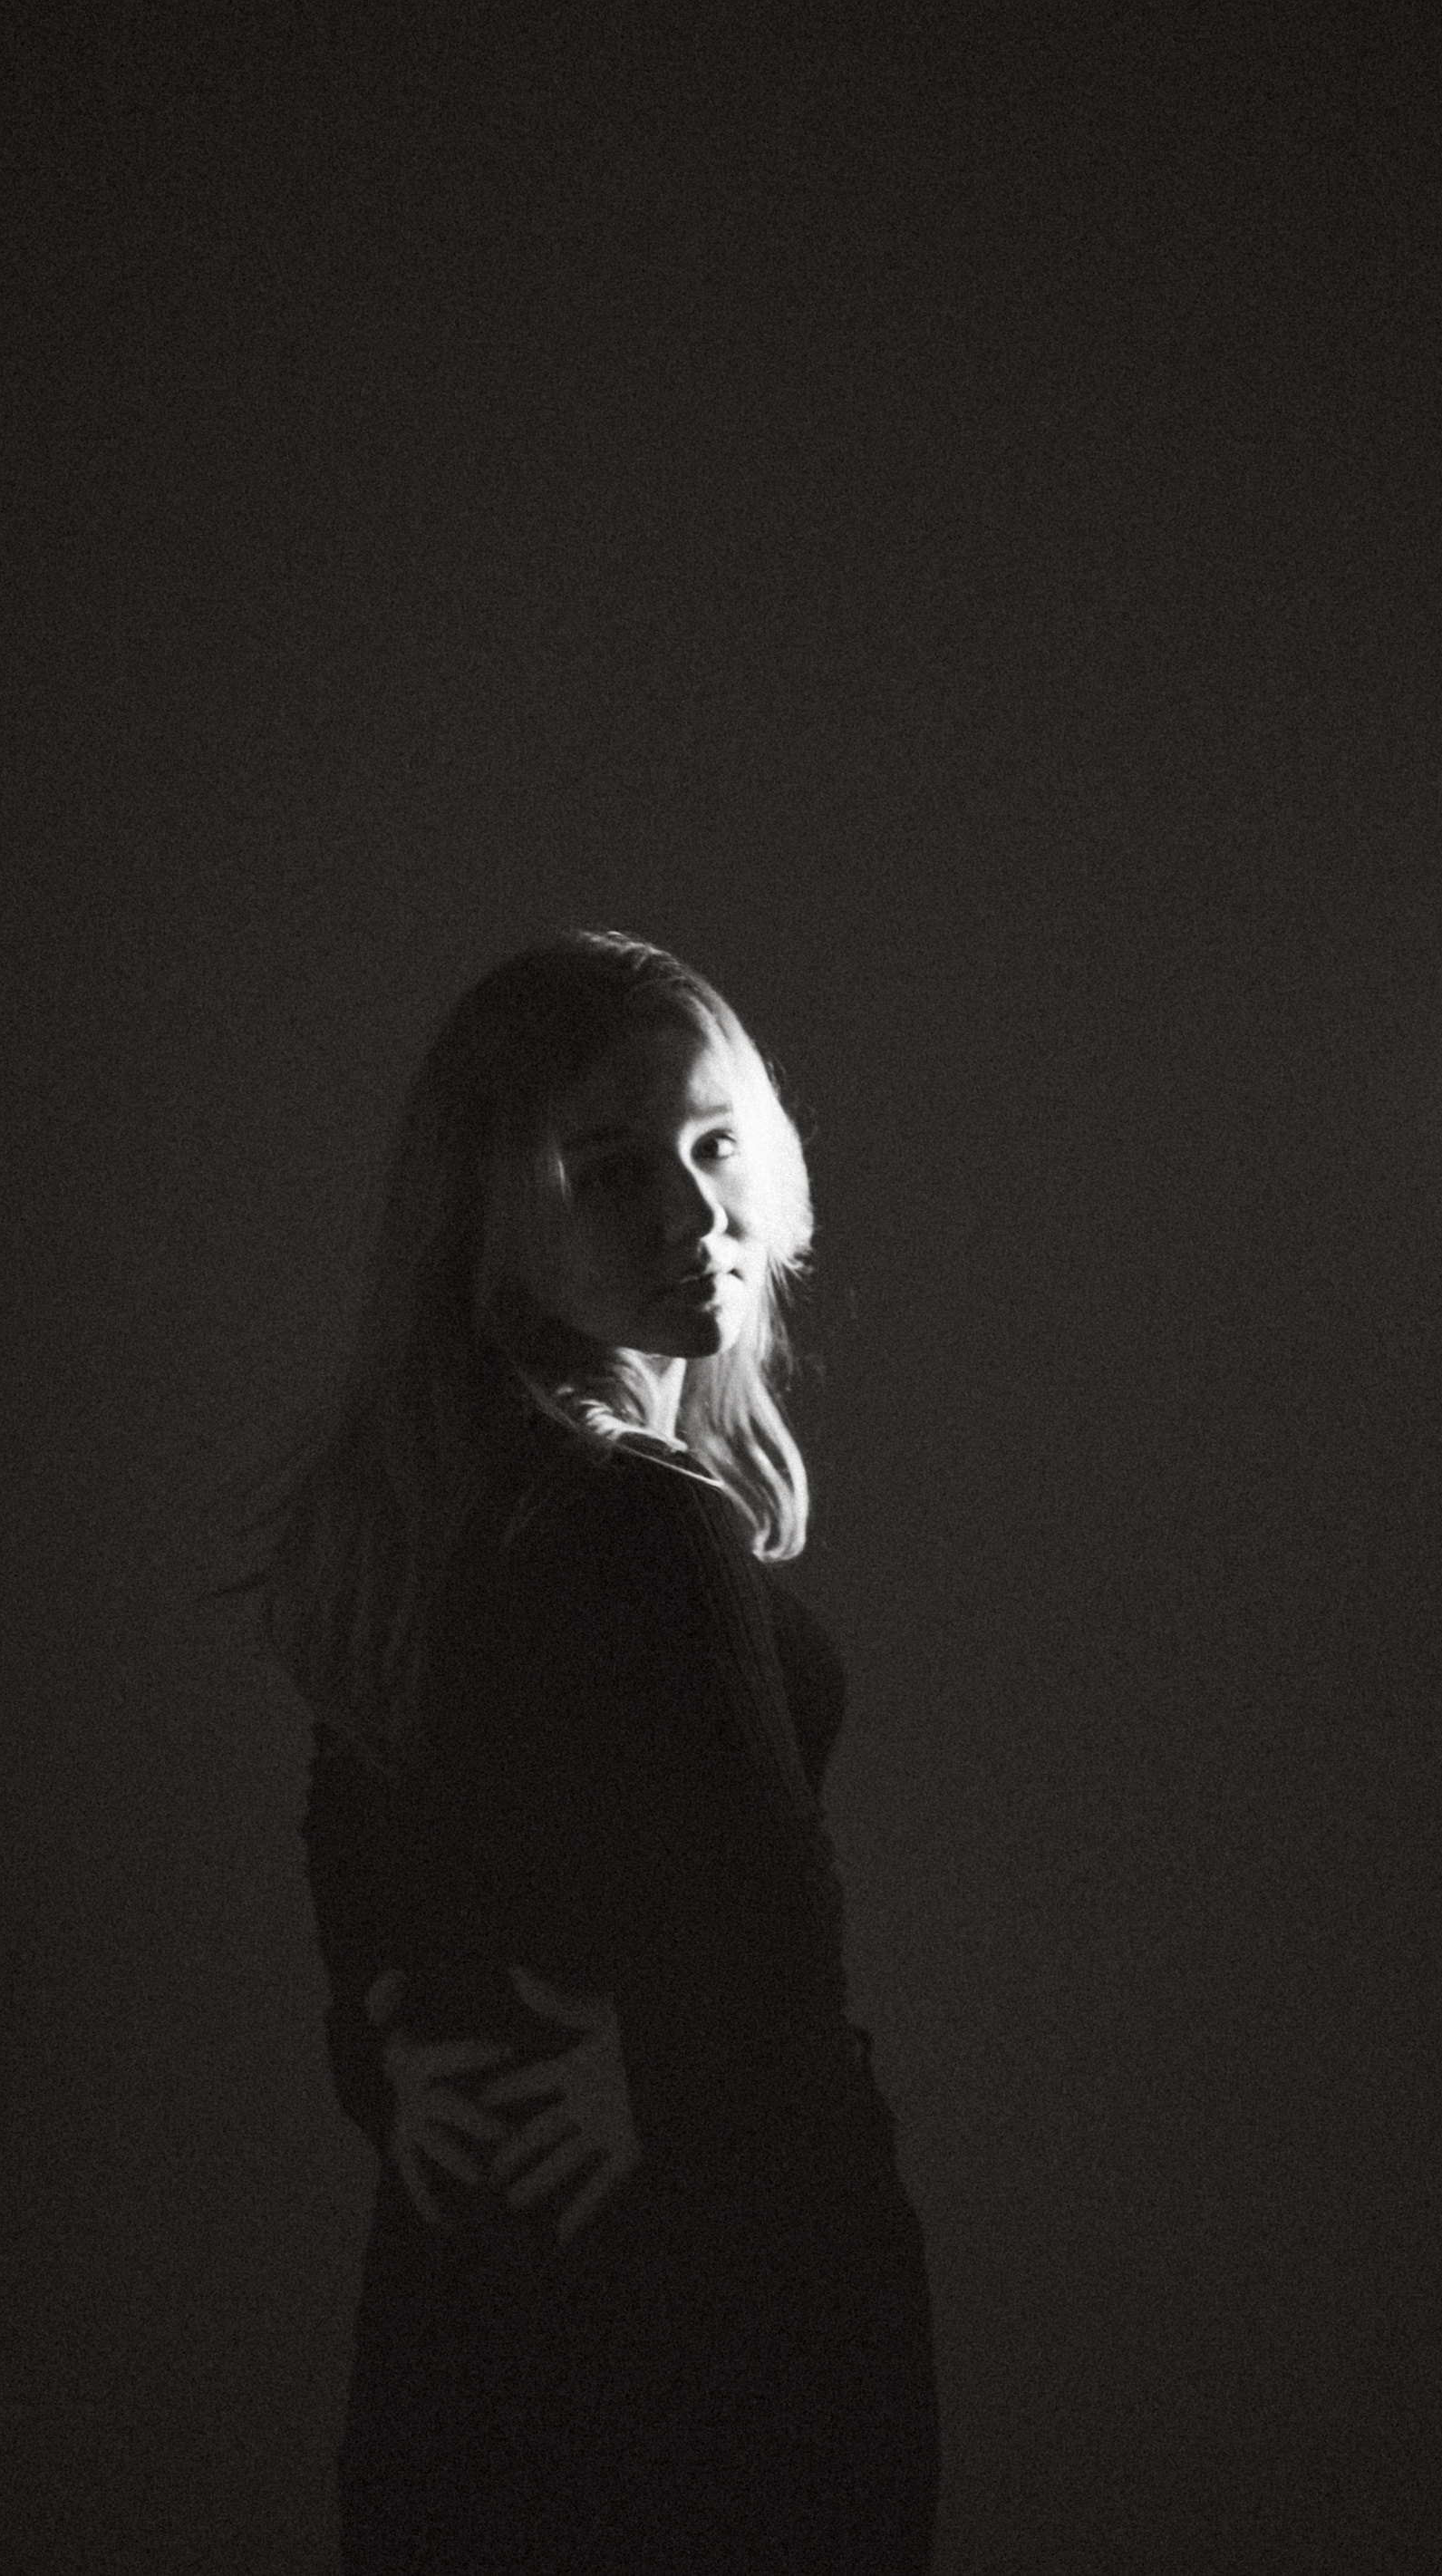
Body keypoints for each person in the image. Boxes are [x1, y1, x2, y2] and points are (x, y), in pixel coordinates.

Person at [210, 927, 940, 2571]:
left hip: (472, 2298)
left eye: (714, 1144)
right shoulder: (638, 1515)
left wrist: (385, 2066)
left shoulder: (435, 1508)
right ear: (489, 1212)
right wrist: (677, 2078)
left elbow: (353, 1838)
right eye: (609, 1170)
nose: (693, 1213)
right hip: (720, 2306)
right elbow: (775, 1904)